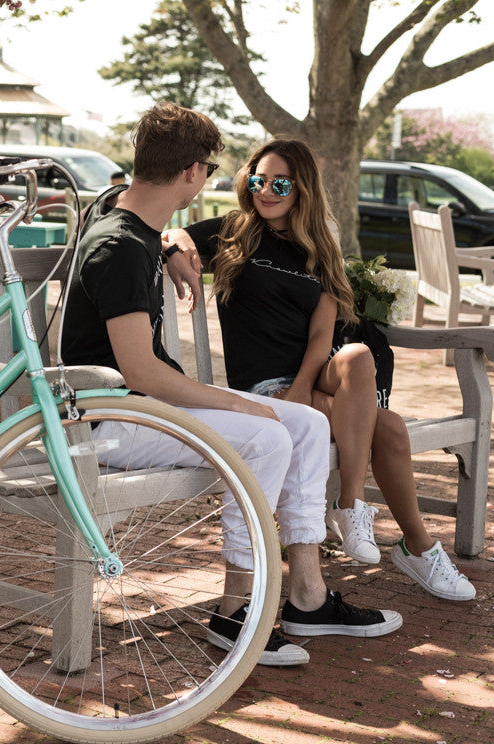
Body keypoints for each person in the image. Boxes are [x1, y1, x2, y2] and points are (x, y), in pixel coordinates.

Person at [61, 103, 402, 668]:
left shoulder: (132, 220)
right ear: (194, 173)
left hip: (139, 407)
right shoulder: (121, 246)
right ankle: (234, 610)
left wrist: (174, 247)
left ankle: (308, 598)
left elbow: (117, 203)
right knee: (266, 437)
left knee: (310, 425)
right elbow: (141, 374)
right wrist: (244, 409)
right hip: (109, 418)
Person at [164, 138, 474, 601]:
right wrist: (176, 251)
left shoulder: (320, 249)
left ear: (302, 188)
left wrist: (304, 387)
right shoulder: (233, 231)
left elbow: (320, 336)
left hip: (309, 380)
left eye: (280, 183)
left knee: (357, 358)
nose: (266, 190)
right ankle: (401, 536)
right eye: (258, 180)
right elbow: (173, 235)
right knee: (387, 427)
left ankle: (364, 511)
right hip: (261, 389)